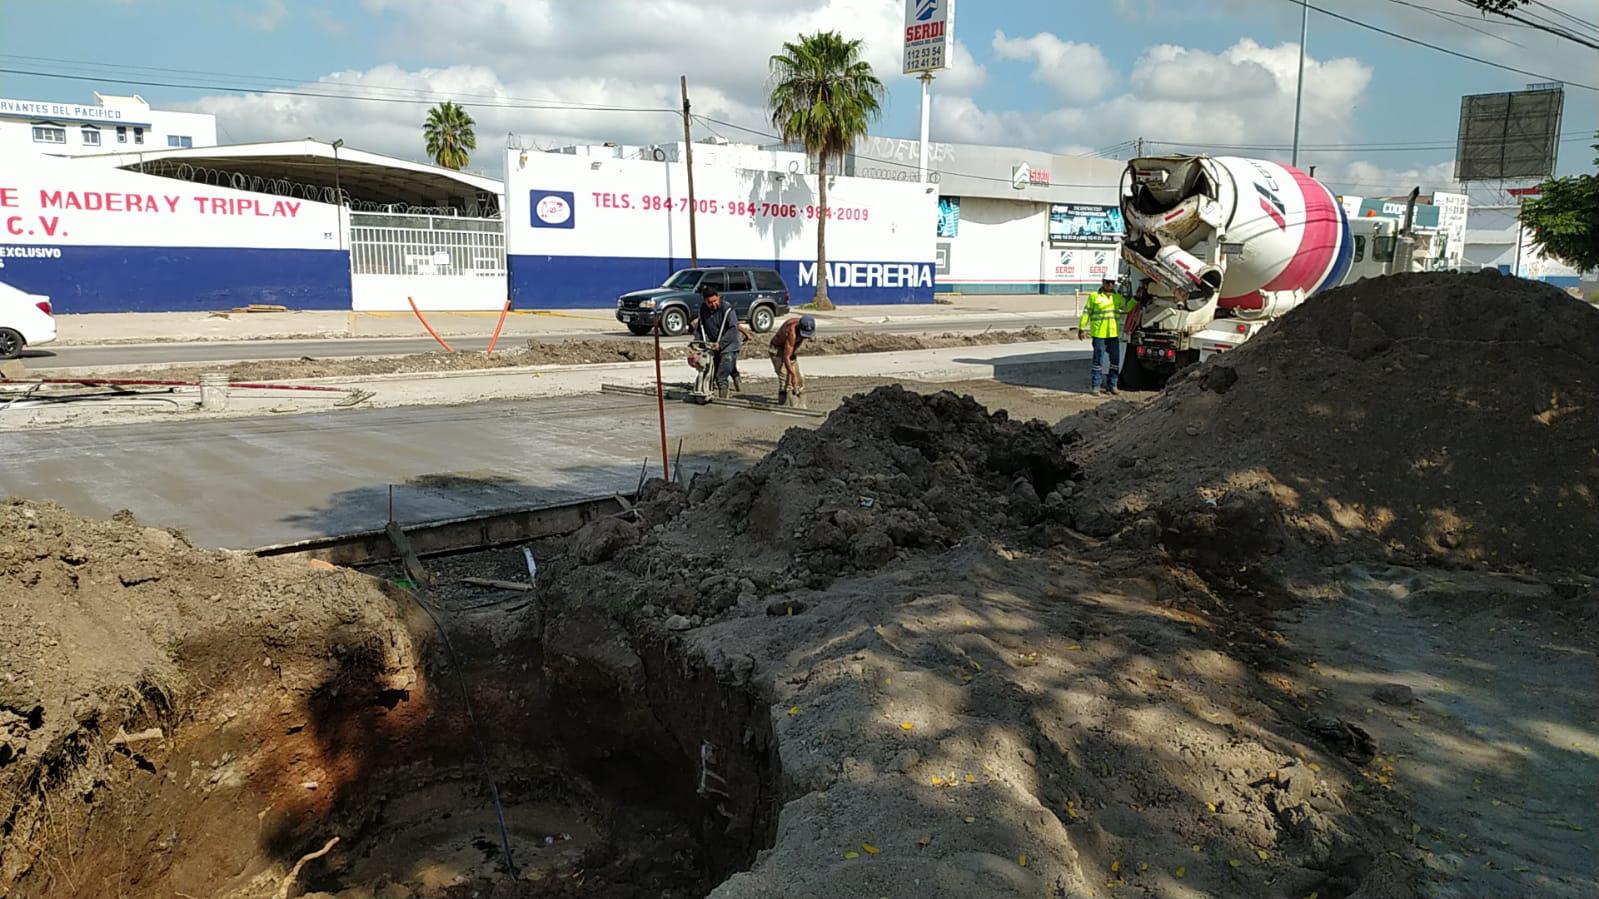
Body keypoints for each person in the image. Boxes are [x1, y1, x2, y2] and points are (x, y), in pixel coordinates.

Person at [1080, 277, 1135, 394]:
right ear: (1103, 282)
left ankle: (1113, 385)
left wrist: (1136, 299)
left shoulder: (1117, 297)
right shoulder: (1094, 296)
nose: (1110, 285)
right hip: (1099, 334)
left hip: (1112, 334)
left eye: (1112, 282)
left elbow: (1126, 307)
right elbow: (1086, 313)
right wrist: (1082, 328)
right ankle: (1096, 386)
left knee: (1115, 360)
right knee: (1098, 360)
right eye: (1108, 282)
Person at [694, 286, 742, 398]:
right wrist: (697, 341)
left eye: (715, 301)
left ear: (719, 297)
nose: (713, 304)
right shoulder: (703, 309)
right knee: (714, 369)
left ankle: (723, 401)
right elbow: (701, 327)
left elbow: (733, 328)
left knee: (721, 376)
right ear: (705, 301)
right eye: (710, 302)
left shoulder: (727, 309)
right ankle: (735, 375)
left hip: (729, 345)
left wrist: (721, 344)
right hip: (713, 344)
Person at [767, 314, 816, 406]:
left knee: (799, 377)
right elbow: (786, 357)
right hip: (777, 349)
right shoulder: (792, 332)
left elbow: (796, 345)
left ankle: (800, 403)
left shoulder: (804, 325)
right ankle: (784, 404)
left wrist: (794, 373)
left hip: (789, 349)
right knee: (785, 378)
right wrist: (792, 374)